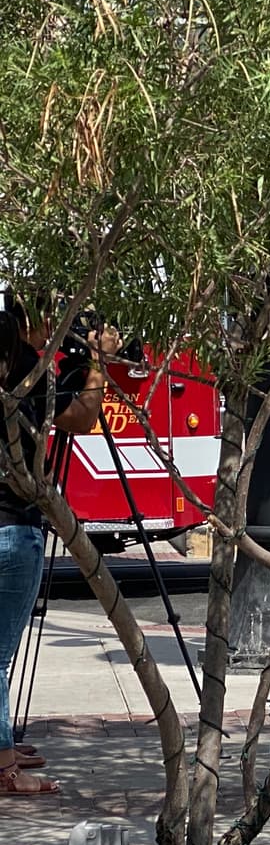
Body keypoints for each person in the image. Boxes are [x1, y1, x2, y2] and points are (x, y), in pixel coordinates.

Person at [1, 299, 121, 795]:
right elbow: (79, 418)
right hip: (13, 527)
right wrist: (96, 366)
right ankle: (4, 767)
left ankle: (2, 743)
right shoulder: (27, 367)